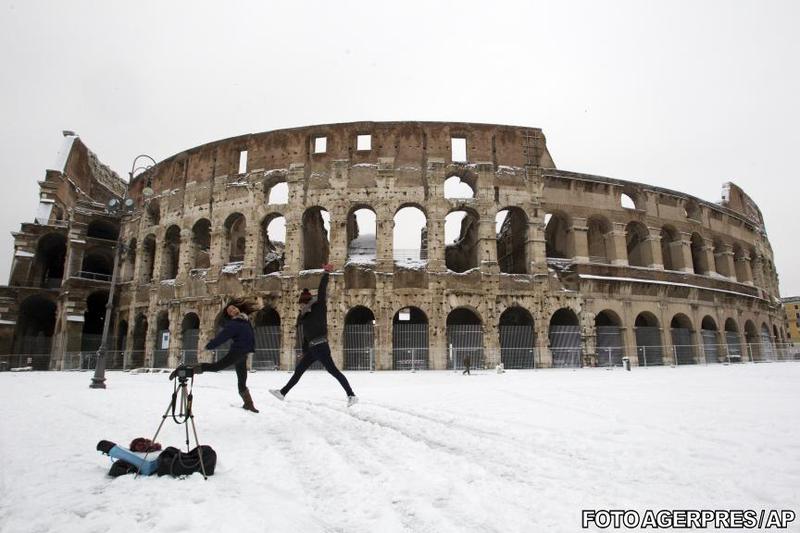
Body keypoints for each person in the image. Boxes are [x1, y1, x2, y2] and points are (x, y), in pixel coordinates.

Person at [269, 263, 358, 407]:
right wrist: (304, 352)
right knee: (298, 371)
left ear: (306, 302)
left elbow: (322, 290)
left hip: (321, 346)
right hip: (312, 348)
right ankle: (282, 393)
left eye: (301, 304)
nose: (300, 306)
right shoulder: (304, 316)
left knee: (334, 372)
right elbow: (306, 336)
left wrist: (326, 273)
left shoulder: (319, 307)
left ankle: (351, 395)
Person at [186, 298, 260, 413]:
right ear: (230, 315)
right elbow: (222, 337)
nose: (233, 310)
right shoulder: (233, 324)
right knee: (217, 367)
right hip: (237, 352)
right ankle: (189, 370)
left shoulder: (245, 320)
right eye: (230, 311)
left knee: (242, 380)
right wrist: (210, 345)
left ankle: (248, 404)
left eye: (234, 308)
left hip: (243, 354)